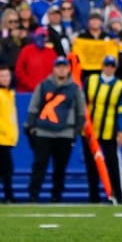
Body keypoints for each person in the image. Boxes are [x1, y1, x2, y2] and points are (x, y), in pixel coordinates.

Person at [24, 56, 86, 203]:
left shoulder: (74, 88)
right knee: (40, 164)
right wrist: (31, 125)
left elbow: (81, 112)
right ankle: (33, 194)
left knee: (60, 167)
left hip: (65, 132)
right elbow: (34, 106)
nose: (61, 69)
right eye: (59, 66)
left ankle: (56, 195)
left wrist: (75, 131)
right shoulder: (44, 85)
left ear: (69, 68)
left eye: (64, 66)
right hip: (43, 130)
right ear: (54, 68)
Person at [82, 55, 122, 204]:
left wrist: (121, 130)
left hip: (109, 130)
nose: (109, 68)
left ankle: (117, 197)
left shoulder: (120, 85)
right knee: (91, 166)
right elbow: (82, 103)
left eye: (112, 66)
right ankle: (93, 197)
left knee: (113, 165)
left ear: (115, 68)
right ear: (102, 66)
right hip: (90, 131)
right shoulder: (91, 80)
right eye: (107, 65)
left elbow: (121, 110)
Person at [0, 65, 17, 203]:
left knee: (7, 170)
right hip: (1, 138)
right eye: (2, 76)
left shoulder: (9, 94)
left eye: (7, 75)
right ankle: (9, 196)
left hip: (7, 139)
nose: (5, 78)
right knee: (6, 170)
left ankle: (8, 196)